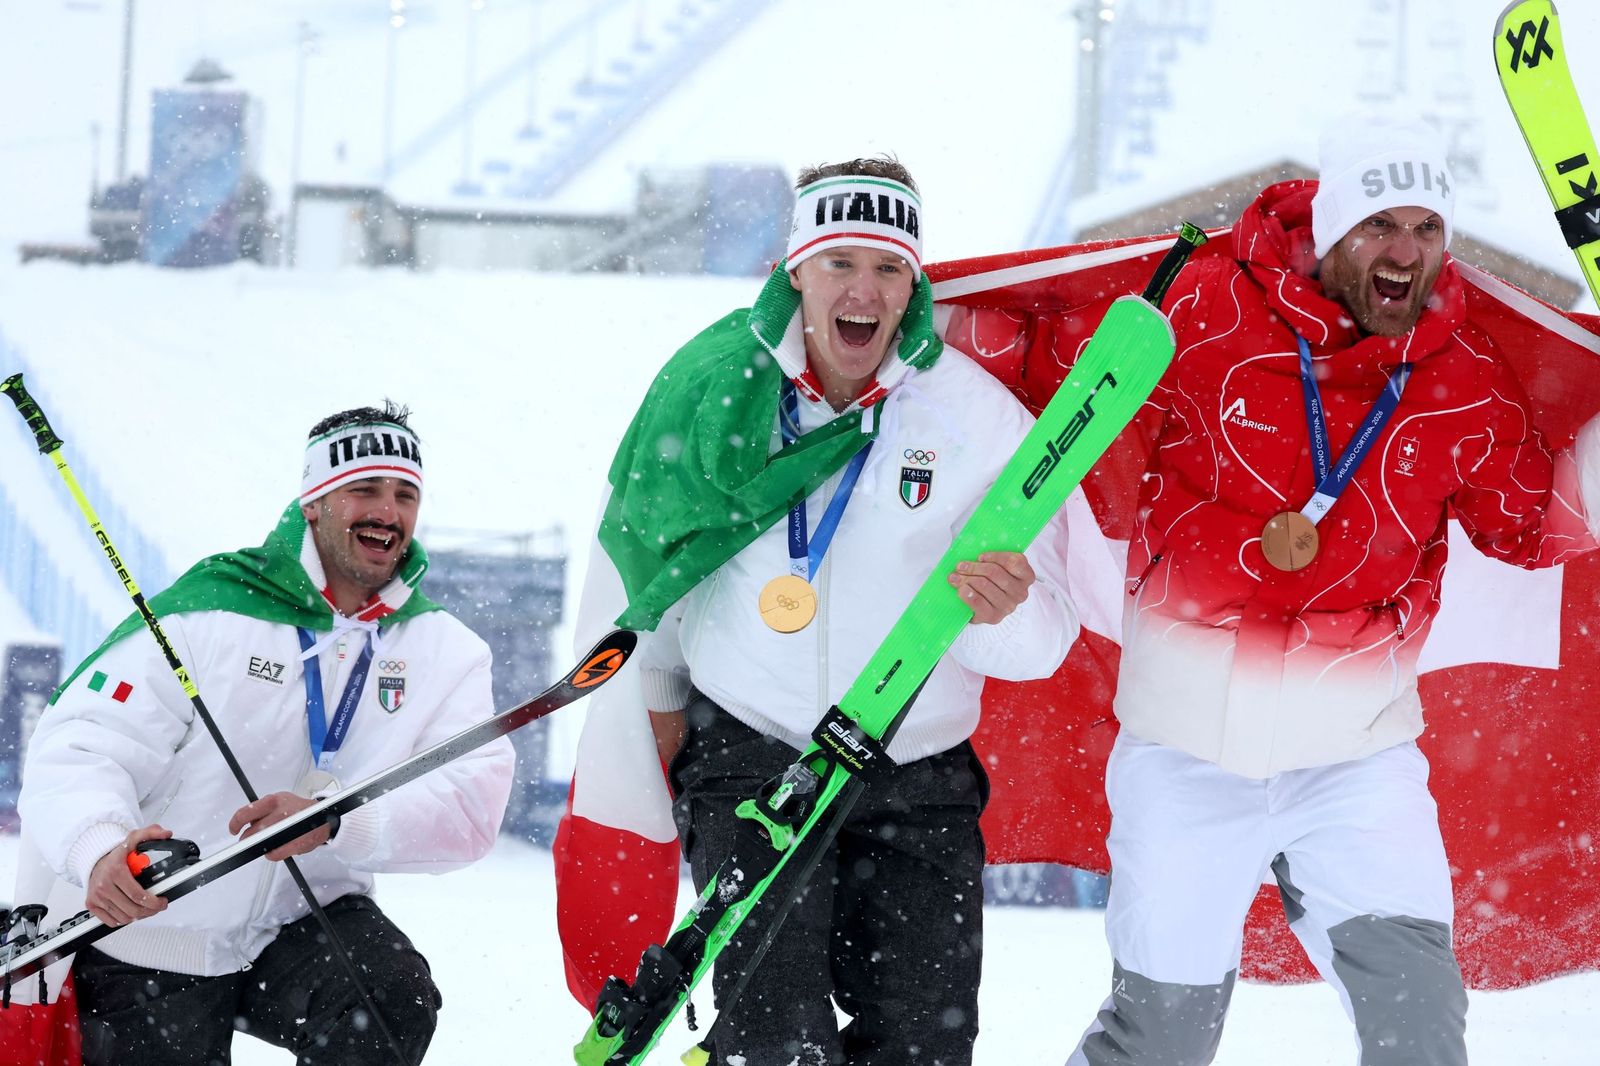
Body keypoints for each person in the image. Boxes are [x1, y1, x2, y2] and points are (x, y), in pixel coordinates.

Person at [942, 116, 1600, 1065]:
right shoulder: (1203, 311)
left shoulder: (1464, 381)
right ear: (1331, 229)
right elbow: (1054, 377)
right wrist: (916, 318)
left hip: (1357, 764)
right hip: (1184, 757)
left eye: (1426, 230)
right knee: (1159, 1037)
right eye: (1380, 225)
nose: (1403, 252)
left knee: (1419, 1021)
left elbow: (1533, 525)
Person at [575, 156, 1081, 1066]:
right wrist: (650, 724)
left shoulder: (973, 419)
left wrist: (1003, 613)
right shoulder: (718, 390)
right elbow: (657, 576)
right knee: (777, 1044)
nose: (864, 290)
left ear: (914, 284)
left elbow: (1043, 650)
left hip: (916, 773)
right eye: (841, 261)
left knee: (924, 1048)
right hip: (753, 756)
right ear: (795, 269)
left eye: (889, 268)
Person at [17, 404, 515, 1065]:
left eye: (405, 494)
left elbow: (469, 807)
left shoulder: (442, 650)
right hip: (156, 929)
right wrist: (99, 848)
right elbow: (81, 744)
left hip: (304, 920)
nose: (387, 512)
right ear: (313, 503)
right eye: (363, 489)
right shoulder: (212, 609)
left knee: (389, 995)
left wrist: (340, 824)